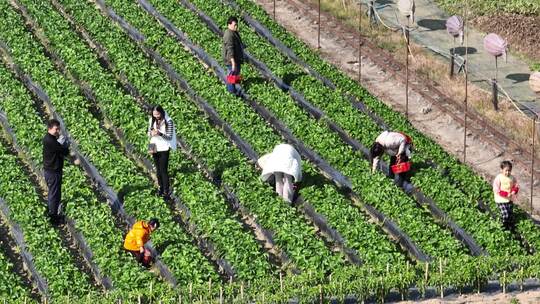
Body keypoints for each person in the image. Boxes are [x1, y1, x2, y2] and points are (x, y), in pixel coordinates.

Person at [42, 119, 70, 225]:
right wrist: (65, 147)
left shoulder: (50, 138)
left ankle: (52, 213)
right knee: (54, 194)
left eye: (59, 129)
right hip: (53, 172)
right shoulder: (50, 141)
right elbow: (63, 151)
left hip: (51, 171)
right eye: (56, 129)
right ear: (50, 128)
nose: (58, 131)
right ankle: (53, 218)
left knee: (54, 193)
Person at [148, 105, 176, 199]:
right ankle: (160, 188)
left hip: (164, 148)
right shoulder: (152, 120)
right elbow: (149, 134)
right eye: (154, 114)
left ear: (161, 112)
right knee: (158, 170)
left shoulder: (169, 122)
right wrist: (151, 134)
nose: (156, 116)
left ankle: (166, 191)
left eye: (157, 114)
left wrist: (159, 133)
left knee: (163, 170)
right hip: (155, 147)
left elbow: (169, 137)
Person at [493, 161, 519, 231]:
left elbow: (516, 186)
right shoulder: (499, 178)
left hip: (509, 199)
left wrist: (514, 191)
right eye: (506, 171)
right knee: (505, 214)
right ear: (501, 170)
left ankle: (510, 227)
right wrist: (506, 194)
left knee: (510, 215)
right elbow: (496, 189)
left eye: (509, 171)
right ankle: (502, 225)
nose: (508, 172)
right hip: (500, 199)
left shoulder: (512, 178)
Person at [222, 16, 245, 96]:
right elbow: (230, 49)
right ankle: (231, 93)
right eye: (234, 25)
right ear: (229, 24)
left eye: (237, 25)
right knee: (231, 77)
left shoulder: (233, 32)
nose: (236, 26)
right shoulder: (228, 35)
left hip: (236, 58)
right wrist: (233, 62)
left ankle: (235, 90)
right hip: (231, 60)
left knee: (235, 75)